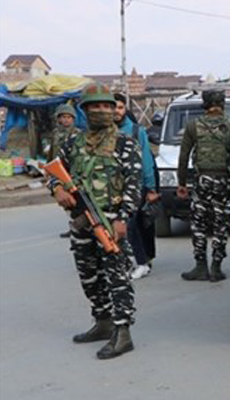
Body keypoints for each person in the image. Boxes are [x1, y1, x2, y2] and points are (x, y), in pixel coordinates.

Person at [48, 82, 141, 359]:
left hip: (111, 222)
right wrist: (58, 189)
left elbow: (133, 185)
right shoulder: (72, 143)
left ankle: (123, 332)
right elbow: (54, 172)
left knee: (117, 277)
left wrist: (123, 218)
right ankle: (102, 322)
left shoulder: (126, 143)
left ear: (114, 110)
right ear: (85, 110)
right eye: (95, 106)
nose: (102, 111)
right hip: (81, 221)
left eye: (106, 106)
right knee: (88, 276)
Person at [177, 89, 230, 282]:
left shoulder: (193, 126)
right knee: (220, 224)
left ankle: (200, 266)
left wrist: (182, 182)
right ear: (222, 104)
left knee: (199, 224)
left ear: (204, 104)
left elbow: (184, 156)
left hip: (201, 180)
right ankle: (216, 267)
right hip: (223, 181)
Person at [113, 93, 158, 280]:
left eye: (120, 107)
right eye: (113, 107)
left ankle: (141, 263)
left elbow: (147, 159)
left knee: (129, 225)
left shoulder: (136, 131)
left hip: (134, 186)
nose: (116, 111)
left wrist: (151, 187)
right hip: (113, 188)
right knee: (122, 227)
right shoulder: (104, 132)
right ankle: (132, 262)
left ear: (125, 109)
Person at [49, 104, 82, 238]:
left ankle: (79, 224)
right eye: (63, 117)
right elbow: (52, 152)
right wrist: (48, 168)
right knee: (64, 200)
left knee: (75, 199)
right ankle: (73, 223)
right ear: (58, 119)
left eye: (69, 117)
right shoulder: (56, 133)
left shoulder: (78, 134)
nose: (66, 120)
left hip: (72, 171)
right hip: (58, 170)